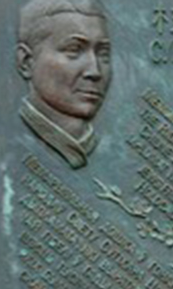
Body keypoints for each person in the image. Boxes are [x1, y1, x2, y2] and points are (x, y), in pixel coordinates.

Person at [15, 0, 113, 169]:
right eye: (74, 50)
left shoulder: (119, 153)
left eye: (103, 53)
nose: (94, 71)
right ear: (26, 62)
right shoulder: (12, 146)